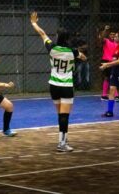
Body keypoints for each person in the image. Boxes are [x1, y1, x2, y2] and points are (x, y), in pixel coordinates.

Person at [30, 12, 86, 152]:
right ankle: (62, 143)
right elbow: (83, 57)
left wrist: (33, 23)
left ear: (57, 37)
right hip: (66, 86)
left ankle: (63, 139)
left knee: (60, 115)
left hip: (53, 86)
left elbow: (42, 34)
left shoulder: (52, 48)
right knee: (64, 115)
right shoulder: (72, 52)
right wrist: (81, 56)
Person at [98, 25, 119, 102]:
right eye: (111, 34)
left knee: (111, 78)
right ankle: (113, 95)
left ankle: (105, 95)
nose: (112, 36)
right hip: (106, 61)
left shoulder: (117, 43)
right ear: (108, 35)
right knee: (108, 78)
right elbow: (101, 38)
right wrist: (105, 30)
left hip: (114, 62)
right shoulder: (106, 41)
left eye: (114, 35)